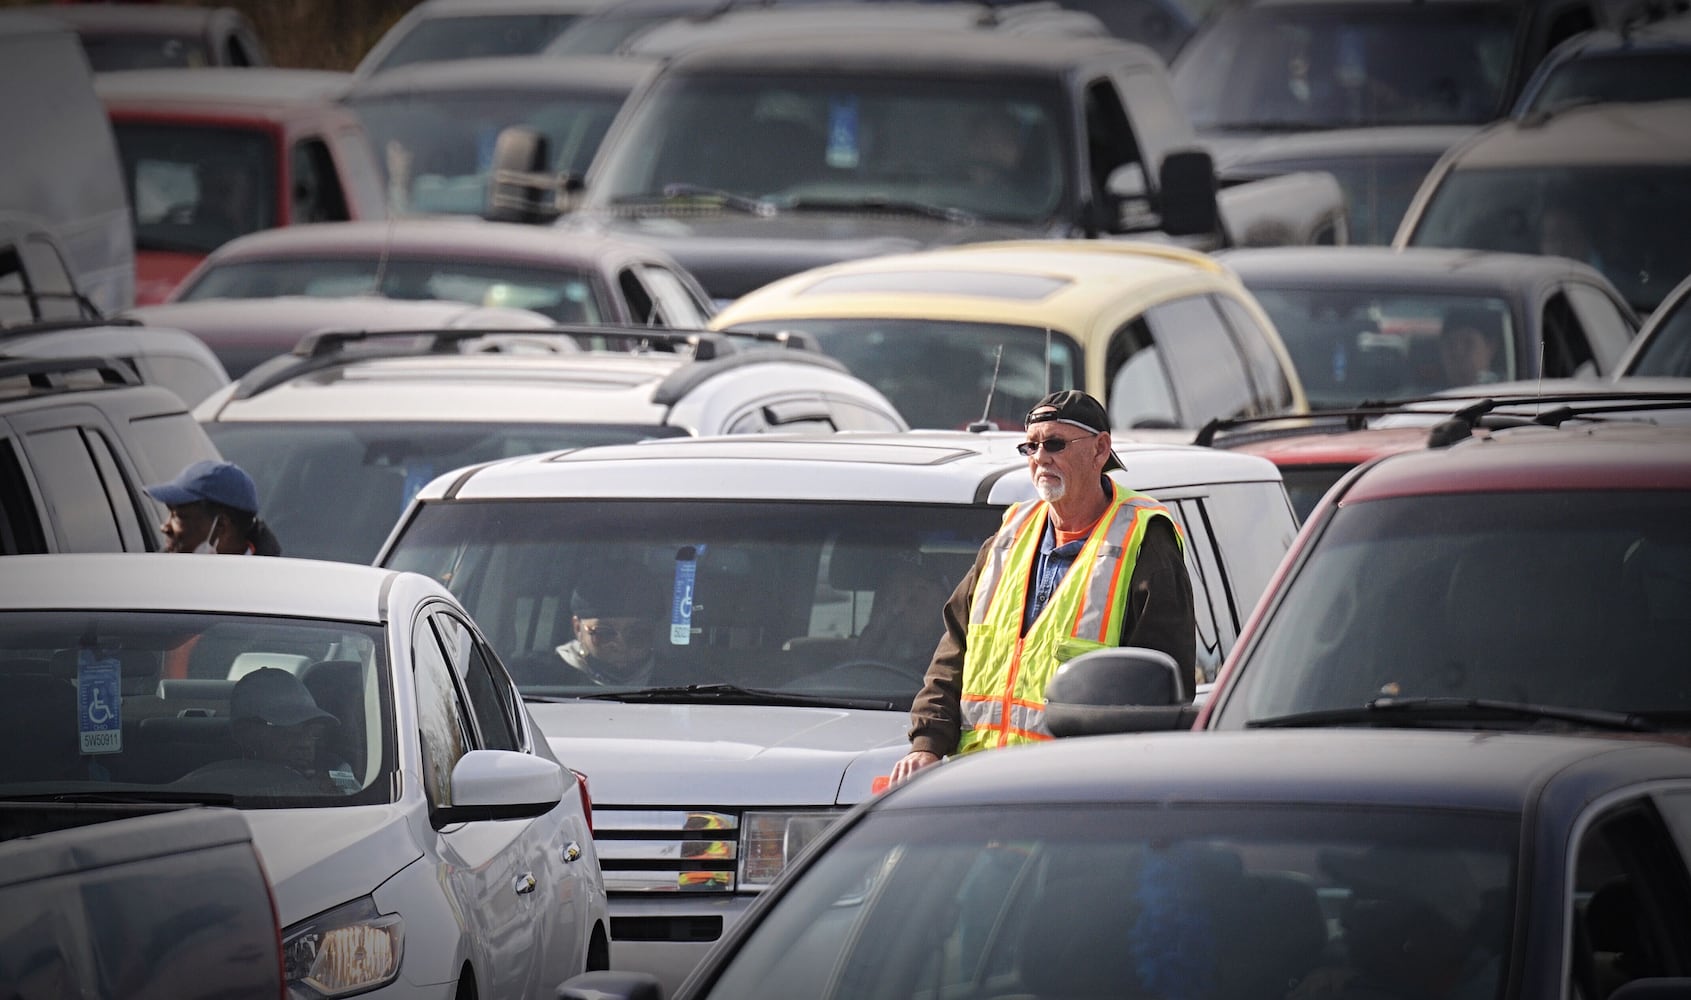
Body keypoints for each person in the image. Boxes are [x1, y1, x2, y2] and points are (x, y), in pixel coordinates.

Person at [890, 389, 1196, 784]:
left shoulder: (1144, 538)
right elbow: (955, 653)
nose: (1040, 458)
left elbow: (1161, 690)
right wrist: (926, 744)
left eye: (1055, 444)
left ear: (1101, 449)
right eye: (1030, 446)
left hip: (1076, 796)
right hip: (980, 788)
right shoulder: (1009, 534)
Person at [176, 667, 356, 794]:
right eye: (289, 730)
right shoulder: (211, 785)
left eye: (313, 732)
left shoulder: (335, 769)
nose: (305, 743)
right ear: (245, 733)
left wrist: (334, 796)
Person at [144, 459, 282, 555]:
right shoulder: (155, 576)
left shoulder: (273, 587)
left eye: (179, 516)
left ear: (221, 525)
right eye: (170, 513)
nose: (164, 527)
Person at [550, 575, 663, 686]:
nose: (621, 646)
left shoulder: (675, 681)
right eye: (604, 634)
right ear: (578, 629)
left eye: (637, 634)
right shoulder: (547, 680)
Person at [1437, 307, 1503, 388]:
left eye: (1468, 343)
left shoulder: (1507, 390)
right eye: (1450, 345)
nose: (1458, 354)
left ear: (1491, 347)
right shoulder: (1428, 396)